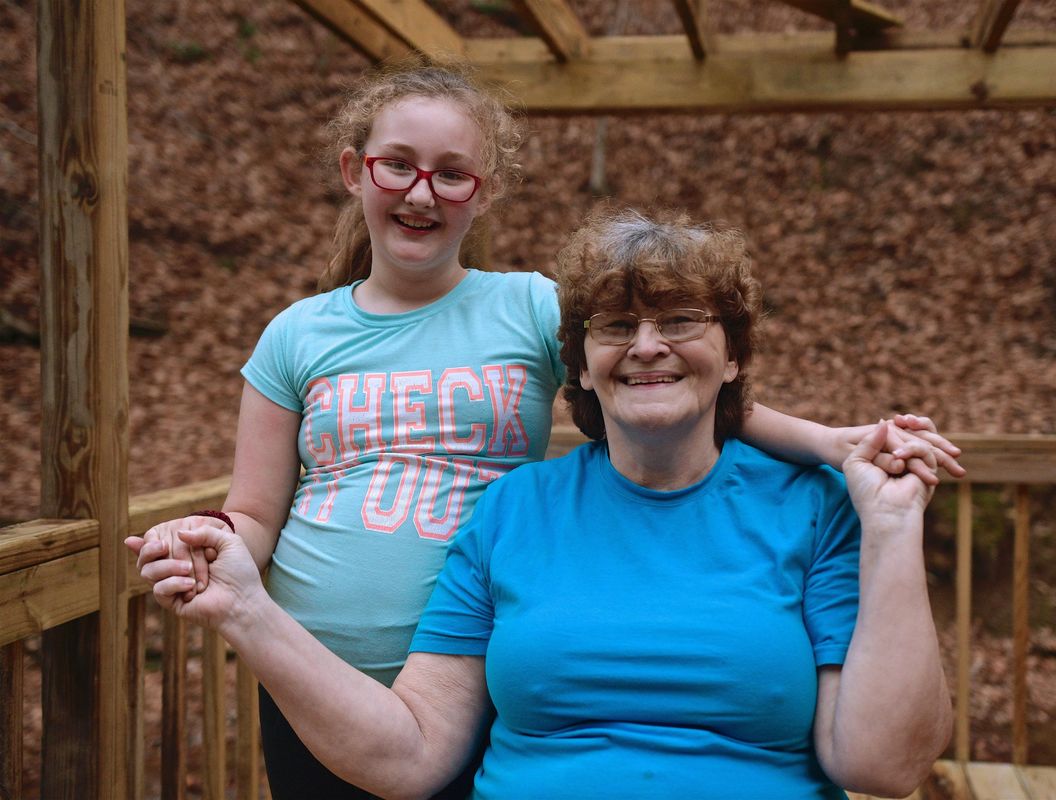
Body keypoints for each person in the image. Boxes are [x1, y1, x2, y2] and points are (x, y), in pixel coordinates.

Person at [137, 59, 960, 799]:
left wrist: (833, 448)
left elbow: (669, 381)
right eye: (398, 165)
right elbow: (255, 512)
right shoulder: (310, 345)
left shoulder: (525, 305)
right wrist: (227, 567)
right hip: (316, 660)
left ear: (484, 191)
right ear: (356, 172)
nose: (644, 346)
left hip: (461, 674)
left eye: (452, 173)